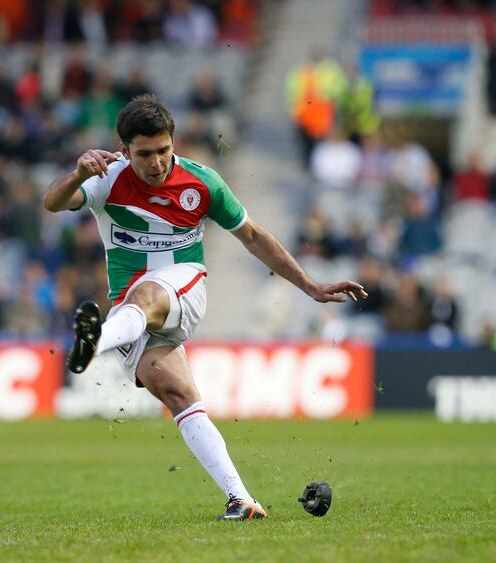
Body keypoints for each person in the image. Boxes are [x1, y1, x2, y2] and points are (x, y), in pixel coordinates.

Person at [42, 95, 367, 521]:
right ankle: (242, 500)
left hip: (183, 286)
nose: (157, 162)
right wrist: (76, 174)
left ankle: (94, 343)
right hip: (130, 312)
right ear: (124, 150)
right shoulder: (106, 179)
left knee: (147, 294)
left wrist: (309, 285)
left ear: (173, 142)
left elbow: (252, 235)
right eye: (144, 154)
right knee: (177, 394)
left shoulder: (202, 182)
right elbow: (52, 202)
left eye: (164, 150)